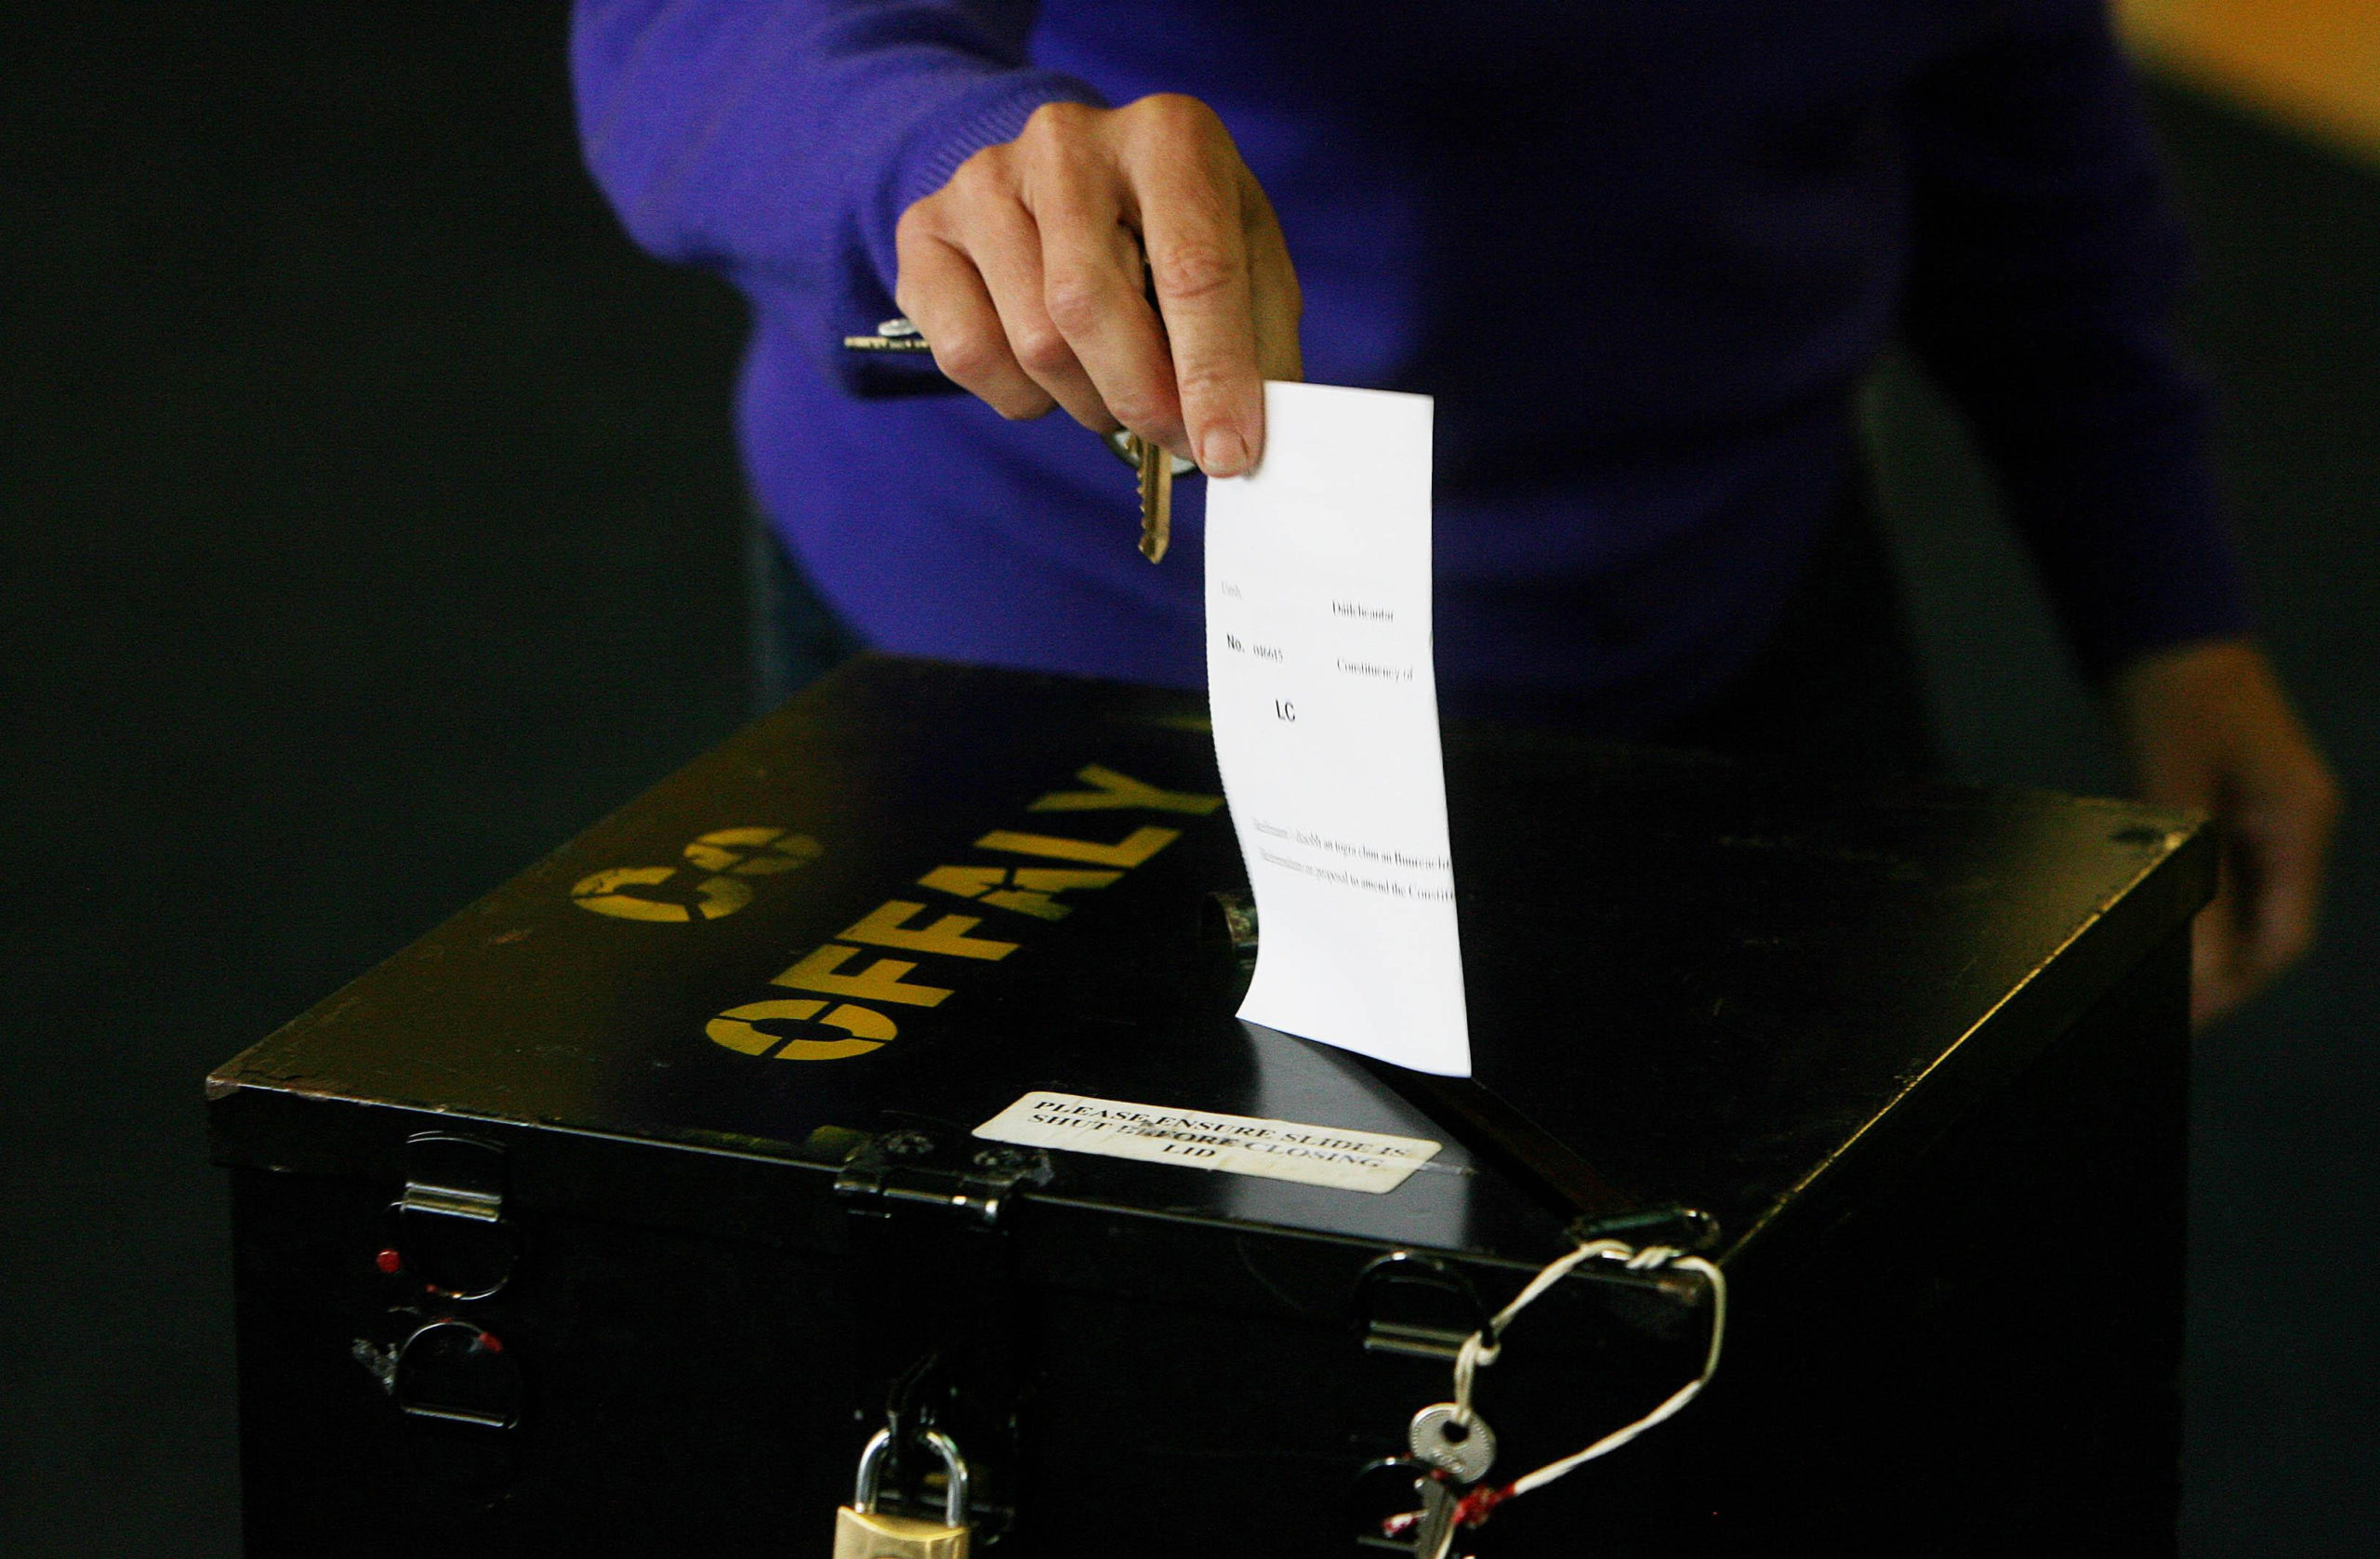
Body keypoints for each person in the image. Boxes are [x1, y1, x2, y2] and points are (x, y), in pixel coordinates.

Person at [570, 0, 2336, 1024]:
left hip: (1731, 601)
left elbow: (2002, 81)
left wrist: (2162, 597)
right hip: (1054, 660)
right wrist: (945, 166)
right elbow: (696, 33)